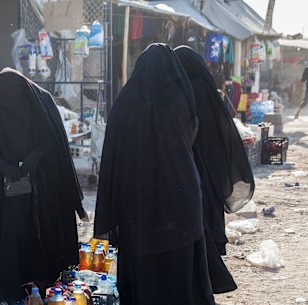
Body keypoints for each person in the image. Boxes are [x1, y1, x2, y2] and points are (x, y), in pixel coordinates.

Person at [93, 44, 215, 305]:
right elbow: (194, 135)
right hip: (181, 197)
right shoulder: (182, 98)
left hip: (137, 203)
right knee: (178, 269)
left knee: (143, 269)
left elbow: (112, 154)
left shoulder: (125, 101)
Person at [0, 68, 87, 305]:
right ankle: (10, 289)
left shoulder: (41, 102)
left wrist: (35, 157)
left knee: (39, 233)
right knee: (12, 237)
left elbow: (53, 138)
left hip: (42, 185)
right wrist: (4, 166)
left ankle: (40, 283)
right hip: (9, 188)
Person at [175, 45, 255, 294]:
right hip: (211, 162)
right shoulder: (205, 87)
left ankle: (207, 276)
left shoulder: (194, 90)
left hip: (200, 163)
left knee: (202, 218)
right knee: (208, 215)